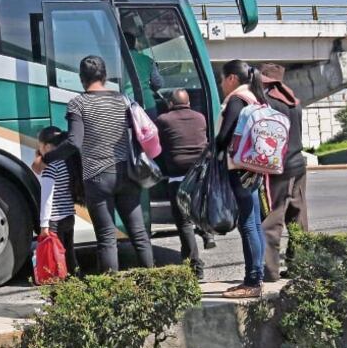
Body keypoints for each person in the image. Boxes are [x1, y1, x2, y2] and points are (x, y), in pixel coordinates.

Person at [35, 55, 154, 273]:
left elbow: (73, 142)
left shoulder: (78, 104)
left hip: (98, 178)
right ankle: (154, 284)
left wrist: (45, 159)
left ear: (82, 78)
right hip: (127, 173)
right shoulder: (122, 99)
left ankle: (109, 293)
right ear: (105, 75)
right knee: (138, 233)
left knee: (107, 238)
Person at [216, 59, 270, 298]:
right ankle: (255, 277)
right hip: (255, 167)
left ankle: (252, 282)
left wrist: (213, 148)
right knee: (255, 223)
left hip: (240, 168)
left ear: (231, 79)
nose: (220, 84)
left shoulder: (237, 100)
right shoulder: (257, 98)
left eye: (221, 79)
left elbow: (224, 135)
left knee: (247, 224)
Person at [257, 63, 309, 281]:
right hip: (298, 164)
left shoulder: (269, 103)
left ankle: (270, 271)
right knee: (298, 217)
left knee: (272, 219)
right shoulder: (293, 101)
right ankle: (300, 265)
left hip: (280, 168)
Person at [154, 88, 209, 277]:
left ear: (170, 103)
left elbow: (157, 147)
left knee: (184, 223)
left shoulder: (164, 120)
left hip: (177, 179)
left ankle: (195, 267)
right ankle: (205, 232)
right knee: (197, 212)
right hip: (200, 176)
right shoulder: (200, 117)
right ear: (189, 103)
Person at [36, 126, 85, 276]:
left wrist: (44, 224)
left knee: (57, 254)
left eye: (40, 148)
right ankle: (75, 276)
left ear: (47, 146)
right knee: (69, 250)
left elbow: (47, 198)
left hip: (54, 220)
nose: (39, 152)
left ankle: (59, 280)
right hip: (69, 216)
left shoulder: (51, 167)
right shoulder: (68, 164)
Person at [124, 31, 163, 112]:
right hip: (148, 104)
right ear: (134, 43)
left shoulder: (117, 62)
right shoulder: (148, 60)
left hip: (127, 105)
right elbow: (158, 83)